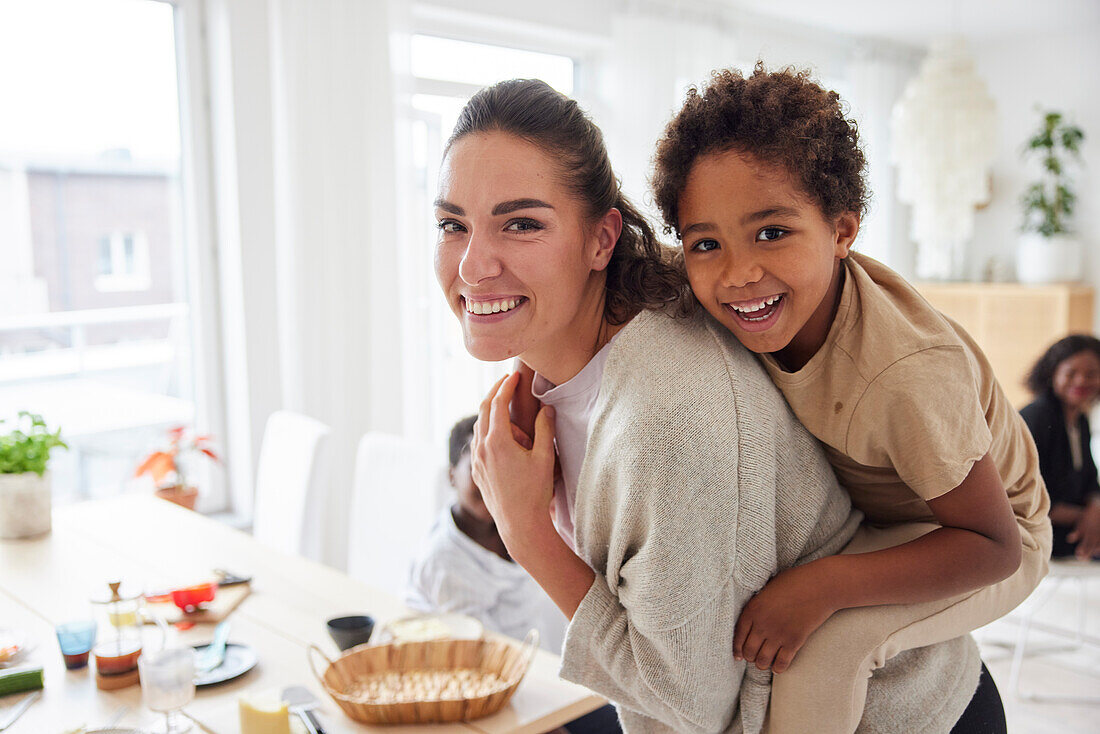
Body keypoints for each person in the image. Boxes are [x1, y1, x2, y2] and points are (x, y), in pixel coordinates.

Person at [435, 77, 988, 733]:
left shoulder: (666, 417)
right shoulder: (585, 341)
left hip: (901, 714)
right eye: (452, 224)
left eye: (520, 223)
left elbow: (691, 702)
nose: (472, 265)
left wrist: (526, 534)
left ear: (601, 241)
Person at [650, 63, 1051, 734]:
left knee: (824, 649)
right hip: (893, 513)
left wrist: (824, 586)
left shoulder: (903, 374)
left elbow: (994, 545)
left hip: (987, 530)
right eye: (706, 244)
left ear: (842, 230)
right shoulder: (737, 291)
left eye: (773, 232)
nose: (740, 273)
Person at [406, 415, 623, 734]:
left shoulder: (514, 527)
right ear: (452, 476)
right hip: (502, 702)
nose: (489, 482)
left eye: (496, 472)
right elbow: (481, 663)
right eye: (476, 472)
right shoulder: (443, 560)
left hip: (552, 680)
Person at [1020, 335, 1100, 560]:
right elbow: (1029, 497)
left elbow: (1091, 481)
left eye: (1092, 374)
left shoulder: (1080, 419)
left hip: (1072, 528)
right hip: (1036, 532)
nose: (1081, 381)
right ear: (1053, 373)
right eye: (1071, 373)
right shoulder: (1036, 417)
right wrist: (1088, 517)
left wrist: (1095, 509)